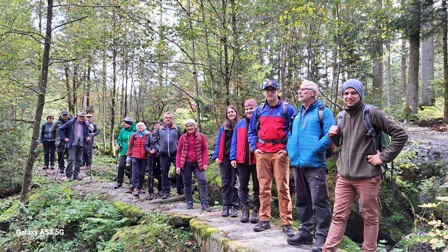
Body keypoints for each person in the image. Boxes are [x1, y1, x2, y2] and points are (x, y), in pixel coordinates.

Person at [322, 79, 408, 252]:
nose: (349, 96)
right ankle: (328, 249)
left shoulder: (372, 113)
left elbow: (400, 134)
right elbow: (342, 143)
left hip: (367, 177)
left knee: (370, 218)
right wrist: (333, 136)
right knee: (338, 217)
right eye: (346, 93)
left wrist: (383, 157)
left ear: (360, 94)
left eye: (353, 93)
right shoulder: (340, 116)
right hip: (344, 177)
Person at [286, 80, 334, 251]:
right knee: (302, 200)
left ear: (313, 92)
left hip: (315, 164)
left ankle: (322, 237)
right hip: (298, 164)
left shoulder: (323, 112)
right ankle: (305, 233)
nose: (300, 92)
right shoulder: (297, 114)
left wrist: (315, 149)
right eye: (299, 89)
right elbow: (291, 134)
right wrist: (290, 149)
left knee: (320, 201)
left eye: (303, 89)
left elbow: (330, 135)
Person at [248, 80, 295, 237]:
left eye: (272, 90)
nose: (270, 93)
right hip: (262, 152)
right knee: (263, 187)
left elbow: (293, 131)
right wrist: (254, 149)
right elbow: (251, 131)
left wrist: (287, 149)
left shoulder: (287, 109)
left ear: (277, 91)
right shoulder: (259, 110)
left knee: (283, 187)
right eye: (267, 90)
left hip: (279, 152)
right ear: (264, 92)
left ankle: (287, 222)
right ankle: (264, 219)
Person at [230, 99, 260, 223]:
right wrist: (233, 157)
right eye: (247, 109)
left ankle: (256, 209)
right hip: (242, 160)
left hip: (257, 159)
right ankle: (244, 208)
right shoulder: (240, 124)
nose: (249, 111)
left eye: (251, 108)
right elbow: (234, 141)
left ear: (256, 109)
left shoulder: (260, 122)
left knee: (258, 185)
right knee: (243, 185)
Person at [175, 119, 211, 211]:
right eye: (187, 126)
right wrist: (178, 166)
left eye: (191, 125)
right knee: (187, 183)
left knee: (202, 181)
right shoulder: (182, 138)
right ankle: (189, 202)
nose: (189, 127)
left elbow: (205, 150)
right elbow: (179, 152)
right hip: (185, 163)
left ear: (195, 126)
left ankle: (205, 204)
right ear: (185, 128)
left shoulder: (201, 137)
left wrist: (205, 163)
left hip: (198, 163)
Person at [213, 105, 239, 218]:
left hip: (235, 158)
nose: (231, 114)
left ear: (236, 112)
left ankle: (234, 206)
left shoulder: (240, 125)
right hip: (224, 158)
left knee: (234, 182)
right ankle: (225, 206)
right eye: (229, 113)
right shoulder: (223, 127)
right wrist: (216, 156)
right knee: (225, 182)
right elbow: (219, 142)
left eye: (232, 112)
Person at [154, 112, 184, 199]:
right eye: (166, 117)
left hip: (175, 154)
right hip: (163, 155)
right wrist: (158, 148)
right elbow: (154, 141)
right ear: (163, 119)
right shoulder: (159, 129)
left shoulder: (177, 129)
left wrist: (179, 148)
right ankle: (165, 192)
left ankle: (180, 189)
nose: (168, 119)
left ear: (172, 118)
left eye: (169, 118)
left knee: (179, 171)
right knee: (164, 173)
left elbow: (181, 140)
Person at [58, 111, 90, 181]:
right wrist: (64, 138)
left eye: (83, 117)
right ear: (77, 116)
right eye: (80, 116)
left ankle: (76, 176)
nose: (82, 118)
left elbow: (87, 133)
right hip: (72, 143)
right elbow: (60, 129)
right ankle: (69, 176)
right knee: (71, 159)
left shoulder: (85, 124)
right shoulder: (71, 122)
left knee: (79, 160)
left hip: (81, 144)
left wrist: (87, 137)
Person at [126, 122, 150, 197]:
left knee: (142, 173)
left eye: (141, 126)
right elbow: (130, 145)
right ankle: (134, 187)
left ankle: (140, 187)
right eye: (138, 126)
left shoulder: (147, 134)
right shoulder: (134, 135)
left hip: (144, 156)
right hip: (135, 156)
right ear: (136, 128)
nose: (140, 127)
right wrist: (128, 155)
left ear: (144, 127)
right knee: (135, 172)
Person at [114, 117, 137, 189]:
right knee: (121, 166)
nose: (124, 124)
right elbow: (119, 139)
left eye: (125, 123)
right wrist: (119, 144)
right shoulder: (122, 130)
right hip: (124, 150)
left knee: (133, 167)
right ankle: (119, 182)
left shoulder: (135, 130)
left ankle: (132, 183)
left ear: (129, 124)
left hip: (133, 151)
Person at [144, 121, 163, 200]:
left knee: (161, 173)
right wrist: (149, 151)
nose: (157, 127)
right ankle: (150, 191)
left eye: (159, 125)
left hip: (161, 156)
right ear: (154, 126)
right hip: (151, 156)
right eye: (156, 125)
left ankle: (160, 190)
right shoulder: (150, 135)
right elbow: (146, 145)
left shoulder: (163, 134)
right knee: (151, 173)